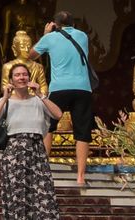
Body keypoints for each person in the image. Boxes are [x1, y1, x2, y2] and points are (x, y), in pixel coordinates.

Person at [0, 61, 63, 220]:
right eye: (17, 75)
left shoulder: (38, 101)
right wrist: (4, 97)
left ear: (29, 77)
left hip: (37, 152)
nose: (21, 77)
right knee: (18, 196)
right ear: (11, 80)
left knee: (43, 196)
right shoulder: (7, 102)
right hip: (15, 154)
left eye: (24, 74)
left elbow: (58, 114)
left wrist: (41, 95)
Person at [34, 11, 94, 192]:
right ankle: (81, 177)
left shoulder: (50, 38)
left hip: (59, 88)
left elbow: (31, 56)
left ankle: (43, 172)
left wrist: (45, 35)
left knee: (48, 126)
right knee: (82, 132)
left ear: (55, 24)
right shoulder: (82, 36)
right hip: (83, 88)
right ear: (73, 23)